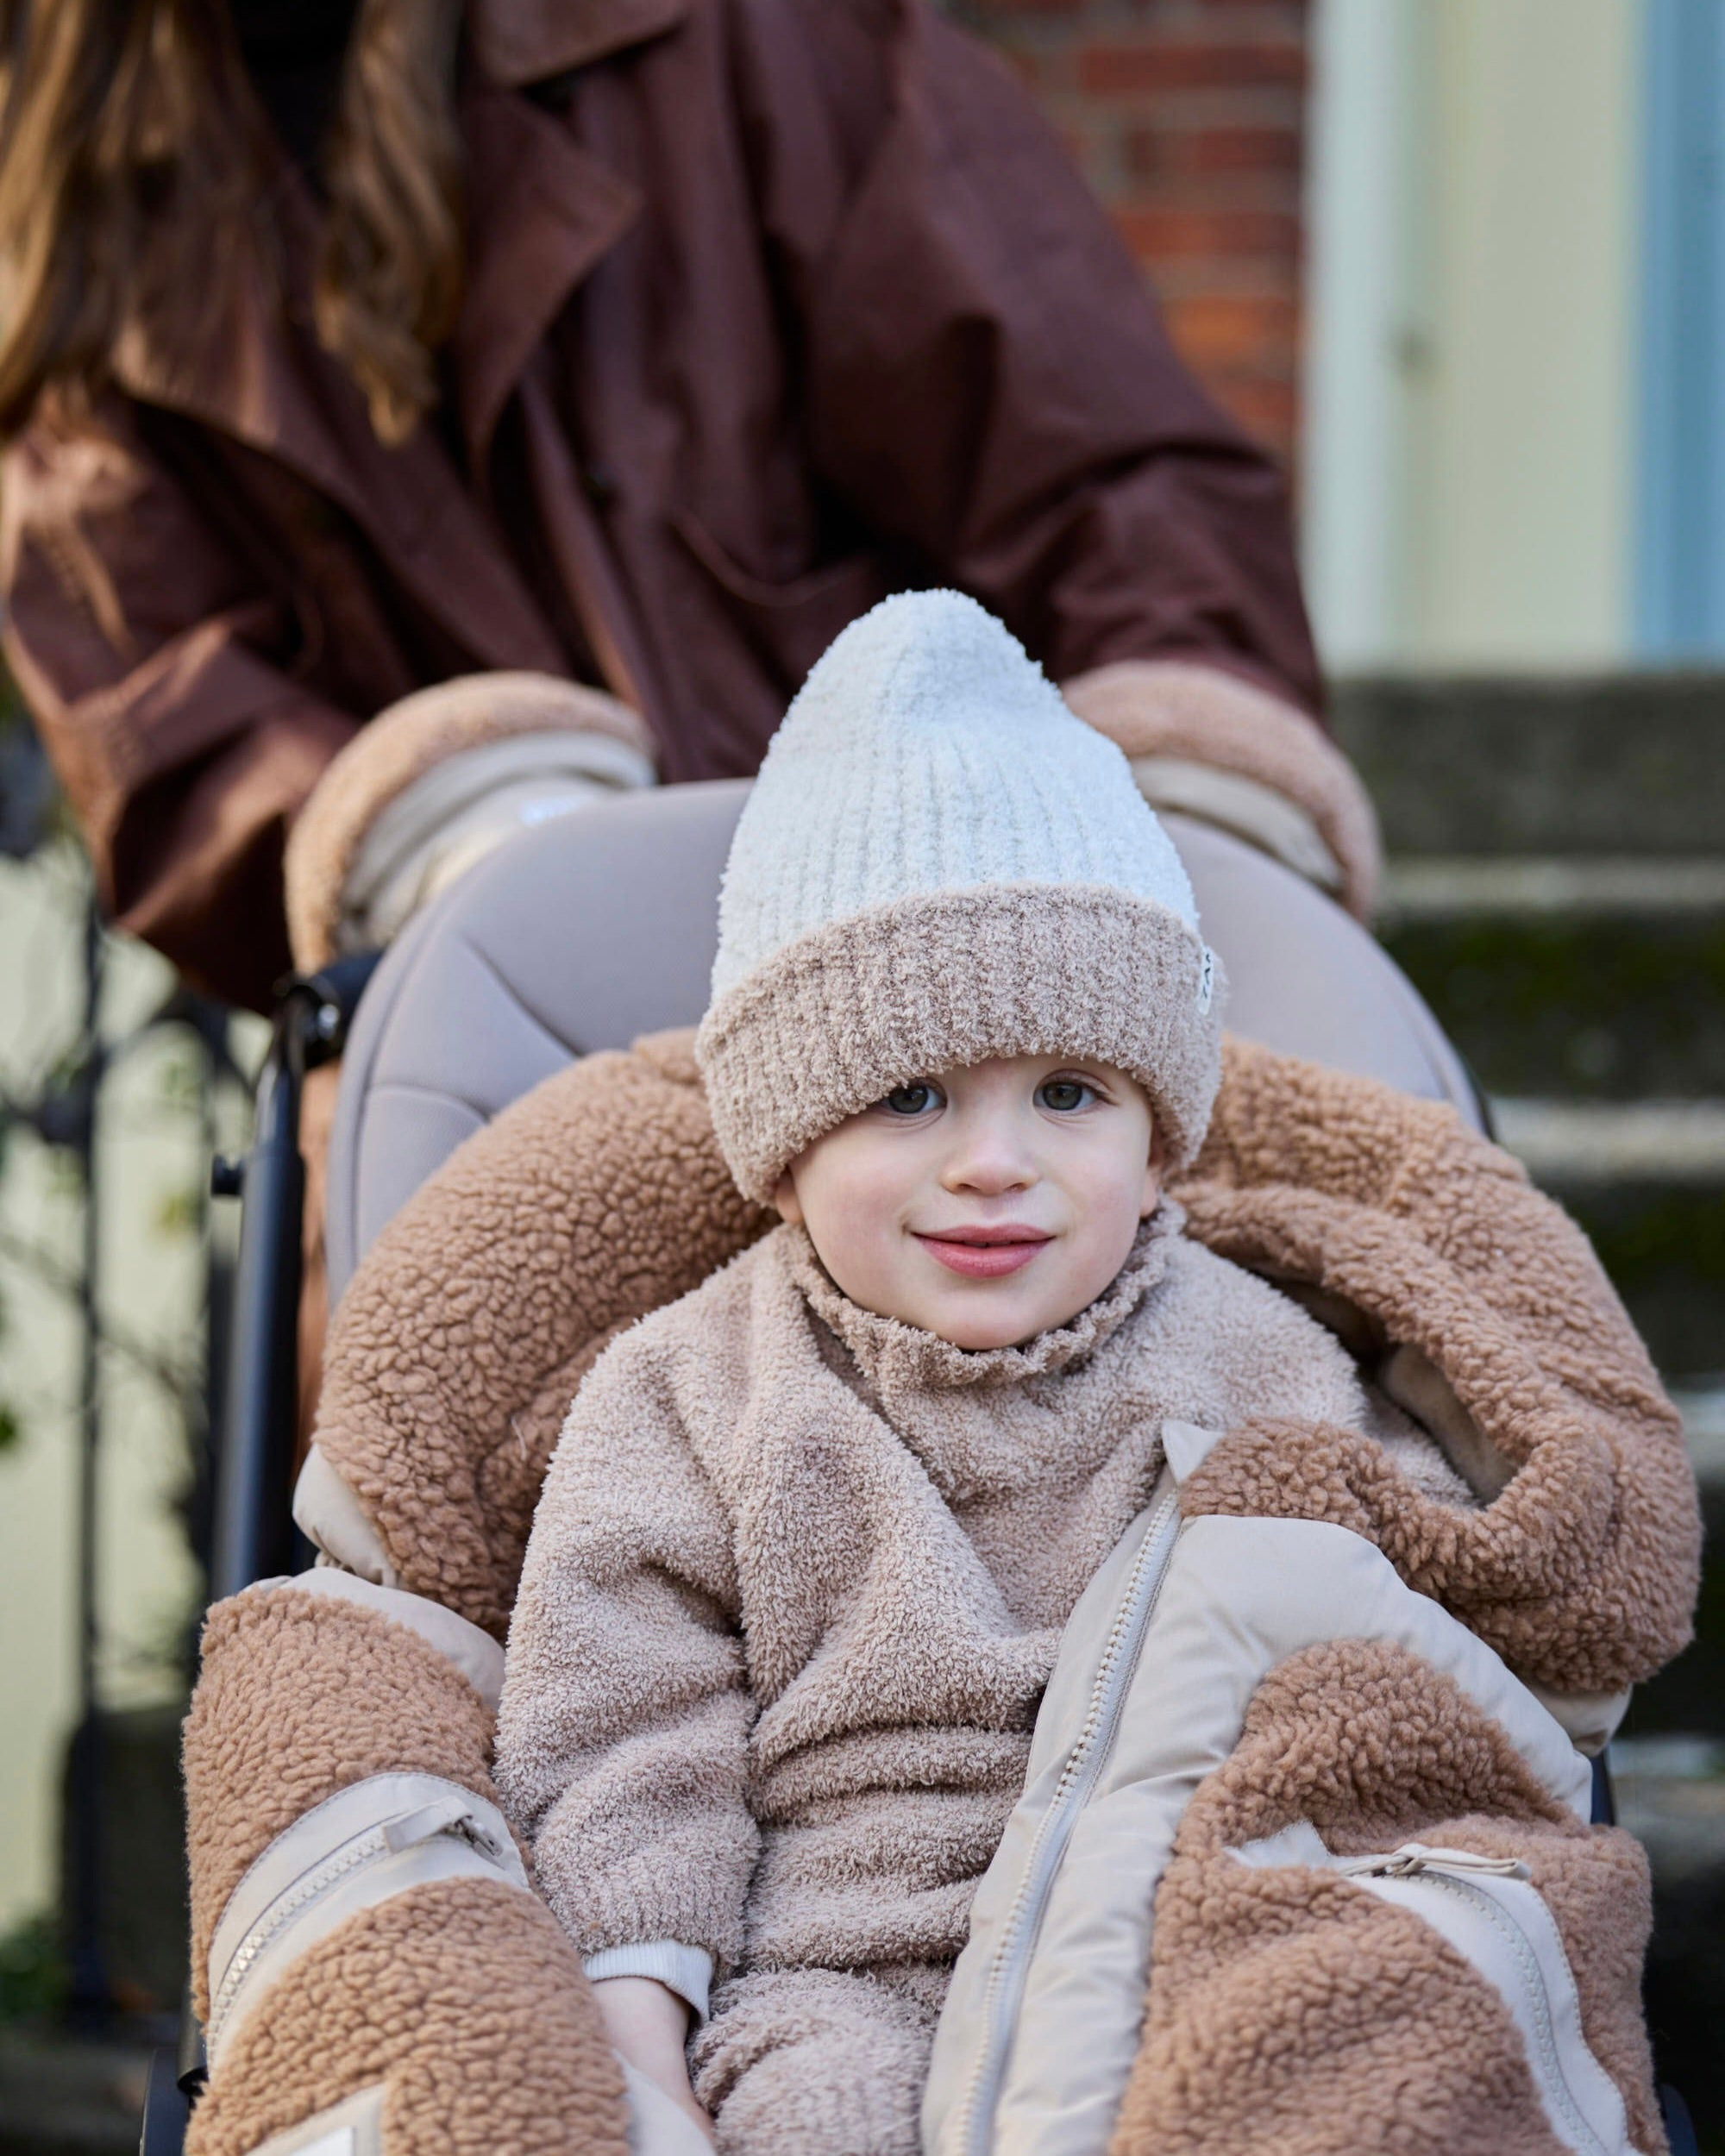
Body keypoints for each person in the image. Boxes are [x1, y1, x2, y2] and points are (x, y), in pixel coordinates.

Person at [492, 592, 1465, 2151]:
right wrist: (639, 2035)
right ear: (784, 1150)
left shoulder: (1256, 1353)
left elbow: (1375, 1649)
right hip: (831, 1962)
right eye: (913, 1096)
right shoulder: (687, 1390)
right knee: (822, 2120)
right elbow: (622, 1731)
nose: (996, 1165)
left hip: (1186, 1923)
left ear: (1158, 1150)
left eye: (1070, 1093)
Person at [0, 0, 1377, 1018]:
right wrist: (446, 835)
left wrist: (1180, 799)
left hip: (956, 1003)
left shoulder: (742, 43)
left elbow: (1100, 459)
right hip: (492, 1073)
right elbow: (177, 738)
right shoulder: (61, 229)